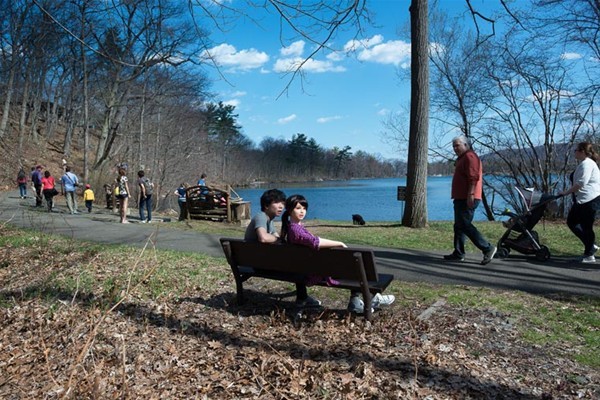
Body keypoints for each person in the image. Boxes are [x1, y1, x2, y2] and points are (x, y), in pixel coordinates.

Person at [281, 194, 395, 314]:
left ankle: (364, 299)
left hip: (307, 267)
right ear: (289, 210)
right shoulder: (296, 230)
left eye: (304, 208)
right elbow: (314, 242)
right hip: (316, 272)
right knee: (353, 266)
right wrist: (339, 243)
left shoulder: (290, 228)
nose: (302, 211)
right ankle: (368, 298)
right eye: (298, 208)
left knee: (351, 265)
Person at [244, 189, 319, 307]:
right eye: (277, 202)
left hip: (259, 262)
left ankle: (302, 297)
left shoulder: (270, 221)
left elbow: (277, 238)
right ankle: (302, 298)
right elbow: (263, 238)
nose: (281, 206)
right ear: (266, 205)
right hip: (258, 265)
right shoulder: (261, 217)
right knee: (299, 265)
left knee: (296, 263)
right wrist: (278, 240)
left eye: (283, 203)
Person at [443, 135, 496, 265]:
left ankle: (488, 248)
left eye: (458, 145)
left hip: (468, 197)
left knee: (465, 225)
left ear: (466, 145)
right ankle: (458, 253)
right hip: (460, 197)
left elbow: (474, 177)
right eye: (454, 146)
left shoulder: (470, 157)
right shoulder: (462, 158)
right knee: (459, 226)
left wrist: (471, 194)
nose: (455, 148)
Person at [559, 142, 600, 263]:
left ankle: (589, 254)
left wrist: (566, 192)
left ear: (582, 151)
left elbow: (581, 183)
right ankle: (591, 246)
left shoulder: (587, 164)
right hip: (582, 200)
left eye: (576, 150)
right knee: (572, 222)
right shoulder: (584, 164)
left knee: (586, 226)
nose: (574, 152)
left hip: (590, 199)